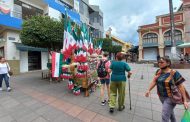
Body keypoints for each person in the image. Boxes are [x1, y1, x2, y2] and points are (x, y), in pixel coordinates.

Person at [145, 57, 189, 122]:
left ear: (168, 63)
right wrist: (148, 90)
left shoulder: (174, 72)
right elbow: (154, 81)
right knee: (170, 112)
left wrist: (185, 100)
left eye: (162, 62)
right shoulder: (158, 71)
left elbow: (181, 86)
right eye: (159, 62)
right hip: (161, 96)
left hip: (171, 97)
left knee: (164, 115)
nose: (159, 64)